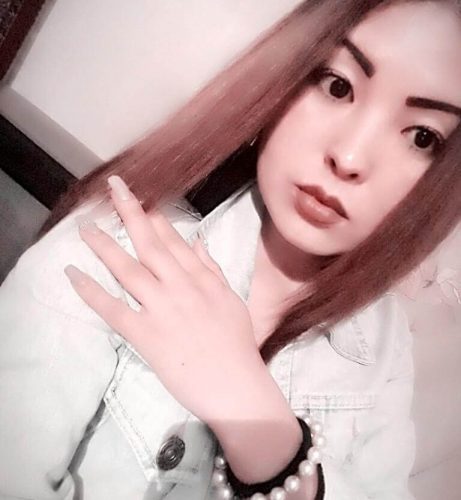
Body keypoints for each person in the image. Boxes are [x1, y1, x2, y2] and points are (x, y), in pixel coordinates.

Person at [0, 0, 460, 498]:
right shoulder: (116, 242)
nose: (349, 157)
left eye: (422, 137)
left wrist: (269, 439)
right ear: (286, 77)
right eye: (337, 85)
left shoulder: (384, 350)